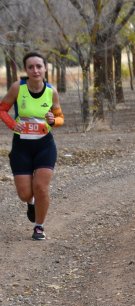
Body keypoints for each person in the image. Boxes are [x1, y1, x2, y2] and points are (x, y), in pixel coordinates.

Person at [0, 51, 64, 240]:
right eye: (31, 67)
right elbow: (2, 110)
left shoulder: (51, 91)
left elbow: (60, 117)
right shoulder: (18, 88)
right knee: (25, 193)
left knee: (41, 187)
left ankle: (39, 227)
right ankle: (31, 202)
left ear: (45, 68)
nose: (35, 70)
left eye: (39, 66)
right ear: (26, 70)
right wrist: (13, 124)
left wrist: (54, 120)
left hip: (45, 145)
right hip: (21, 146)